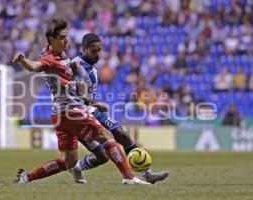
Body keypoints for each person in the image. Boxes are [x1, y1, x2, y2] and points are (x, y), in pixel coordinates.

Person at [12, 18, 148, 185]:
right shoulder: (49, 59)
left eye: (66, 36)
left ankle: (26, 177)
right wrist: (22, 60)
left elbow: (72, 87)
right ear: (52, 40)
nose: (66, 40)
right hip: (71, 111)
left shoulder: (61, 55)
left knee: (67, 162)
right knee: (107, 136)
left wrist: (92, 102)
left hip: (60, 114)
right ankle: (129, 178)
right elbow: (35, 66)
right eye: (62, 37)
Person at [71, 33, 169, 184]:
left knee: (120, 133)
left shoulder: (90, 64)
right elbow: (78, 91)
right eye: (93, 50)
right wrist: (94, 103)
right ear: (83, 49)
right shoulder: (76, 65)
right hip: (78, 113)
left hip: (90, 109)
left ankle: (145, 173)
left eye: (99, 50)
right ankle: (78, 167)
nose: (97, 54)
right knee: (103, 155)